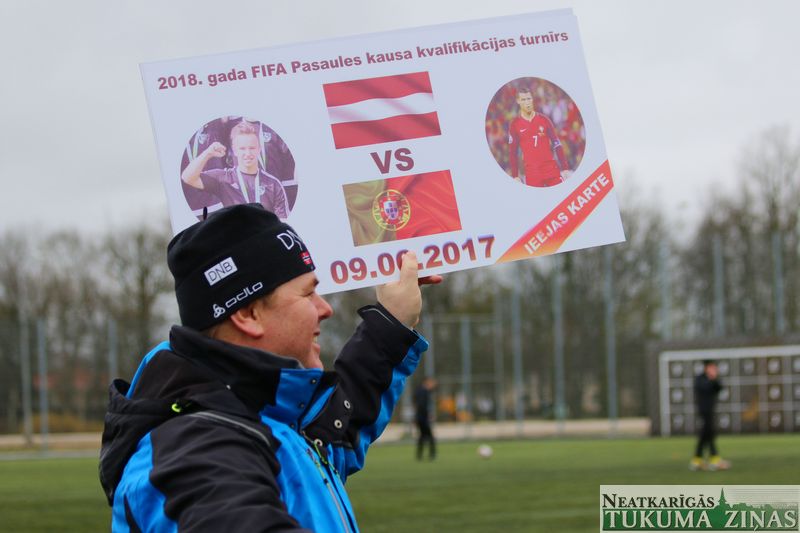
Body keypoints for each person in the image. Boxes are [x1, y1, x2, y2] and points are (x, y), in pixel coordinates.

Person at [99, 203, 441, 531]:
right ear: (248, 314)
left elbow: (336, 429)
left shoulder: (268, 418)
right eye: (307, 294)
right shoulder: (197, 451)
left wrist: (392, 323)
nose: (325, 309)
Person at [182, 120, 290, 218]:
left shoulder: (273, 184)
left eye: (252, 148)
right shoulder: (223, 179)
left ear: (259, 149)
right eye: (242, 148)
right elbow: (187, 177)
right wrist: (208, 153)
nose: (248, 153)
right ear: (234, 150)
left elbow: (283, 222)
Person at [507, 87, 572, 187]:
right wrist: (515, 175)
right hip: (532, 174)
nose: (527, 102)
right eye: (523, 100)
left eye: (528, 99)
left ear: (532, 99)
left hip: (551, 170)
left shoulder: (544, 120)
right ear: (518, 101)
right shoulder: (515, 125)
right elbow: (513, 152)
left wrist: (565, 168)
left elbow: (557, 144)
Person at [689, 360, 731, 471]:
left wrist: (714, 379)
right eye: (712, 367)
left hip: (711, 410)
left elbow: (719, 388)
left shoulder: (713, 379)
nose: (714, 370)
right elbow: (704, 388)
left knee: (706, 434)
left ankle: (698, 460)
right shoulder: (700, 379)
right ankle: (714, 460)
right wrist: (711, 379)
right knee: (709, 433)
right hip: (704, 410)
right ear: (707, 368)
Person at [414, 376, 437, 460]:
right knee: (430, 437)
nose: (433, 385)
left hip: (419, 417)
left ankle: (419, 455)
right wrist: (428, 415)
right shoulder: (424, 392)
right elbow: (422, 405)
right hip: (423, 418)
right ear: (427, 382)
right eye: (432, 383)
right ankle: (432, 454)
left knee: (422, 436)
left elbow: (416, 403)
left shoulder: (418, 390)